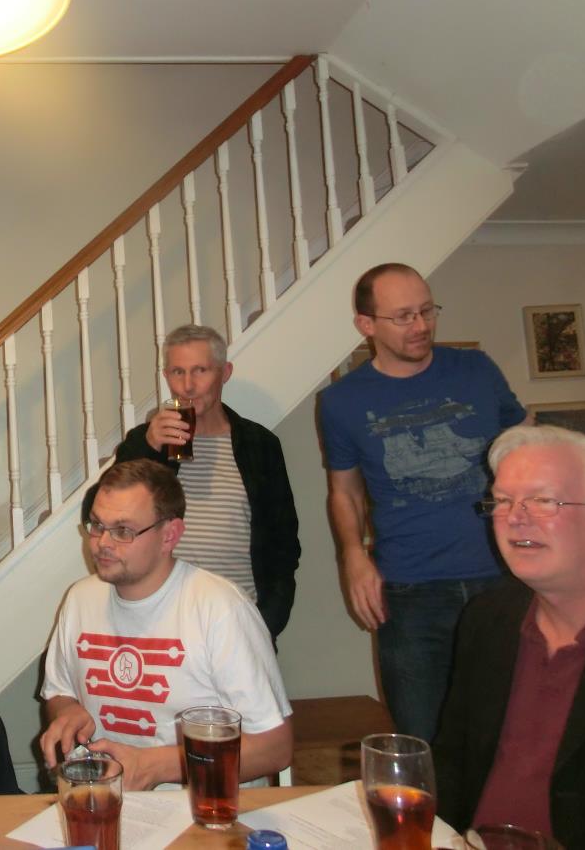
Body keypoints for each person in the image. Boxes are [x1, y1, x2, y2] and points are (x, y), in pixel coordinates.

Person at [319, 263, 527, 741]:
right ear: (366, 324)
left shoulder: (476, 369)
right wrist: (353, 556)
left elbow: (526, 443)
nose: (421, 325)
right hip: (411, 592)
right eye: (403, 316)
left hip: (502, 575)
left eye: (427, 311)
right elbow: (344, 490)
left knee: (512, 735)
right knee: (423, 741)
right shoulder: (341, 402)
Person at [39, 459, 293, 790]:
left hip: (205, 806)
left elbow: (275, 748)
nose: (103, 543)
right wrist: (67, 712)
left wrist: (155, 766)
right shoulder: (79, 599)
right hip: (107, 802)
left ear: (169, 535)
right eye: (97, 525)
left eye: (123, 531)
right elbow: (59, 692)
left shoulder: (220, 608)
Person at [434, 425, 585, 848]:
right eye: (502, 501)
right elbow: (451, 763)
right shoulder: (488, 619)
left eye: (543, 500)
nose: (515, 517)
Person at [113, 324, 301, 641]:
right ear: (166, 376)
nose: (188, 385)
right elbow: (106, 516)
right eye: (178, 372)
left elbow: (284, 542)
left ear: (224, 372)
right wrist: (148, 447)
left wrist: (268, 620)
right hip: (157, 620)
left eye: (200, 370)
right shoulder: (143, 442)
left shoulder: (260, 444)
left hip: (239, 620)